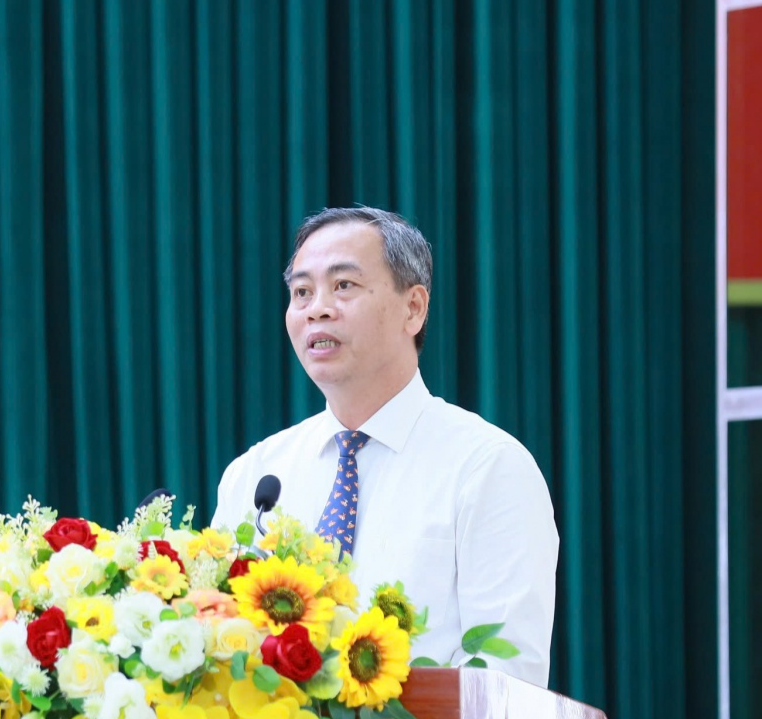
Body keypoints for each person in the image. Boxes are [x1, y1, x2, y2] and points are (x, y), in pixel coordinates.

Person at [210, 206, 559, 688]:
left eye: (344, 285)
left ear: (413, 308)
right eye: (302, 292)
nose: (317, 309)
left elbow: (505, 680)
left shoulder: (488, 469)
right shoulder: (257, 475)